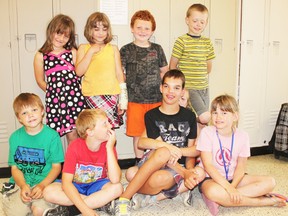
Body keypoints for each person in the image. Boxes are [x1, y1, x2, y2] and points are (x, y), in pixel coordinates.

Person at [113, 69, 205, 216]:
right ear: (161, 88)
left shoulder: (189, 116)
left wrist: (188, 169)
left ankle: (144, 193)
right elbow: (148, 146)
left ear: (182, 91)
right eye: (167, 86)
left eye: (176, 88)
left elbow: (193, 150)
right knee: (136, 170)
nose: (171, 91)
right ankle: (124, 199)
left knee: (153, 178)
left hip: (173, 168)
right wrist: (169, 148)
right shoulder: (152, 115)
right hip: (156, 161)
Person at [196, 94, 287, 215]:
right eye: (215, 112)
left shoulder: (243, 136)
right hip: (211, 179)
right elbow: (208, 166)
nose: (218, 117)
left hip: (235, 178)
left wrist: (232, 187)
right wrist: (229, 188)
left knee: (270, 182)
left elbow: (241, 167)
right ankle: (263, 201)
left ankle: (226, 199)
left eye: (224, 113)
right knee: (214, 192)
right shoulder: (207, 132)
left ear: (235, 116)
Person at [43, 109, 123, 216]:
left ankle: (71, 210)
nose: (110, 126)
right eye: (105, 124)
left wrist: (109, 148)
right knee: (48, 192)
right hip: (75, 185)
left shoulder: (108, 146)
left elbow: (115, 179)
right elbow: (66, 183)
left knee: (117, 188)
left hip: (97, 186)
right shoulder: (74, 147)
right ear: (90, 132)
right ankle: (98, 204)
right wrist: (85, 210)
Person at [2, 93, 64, 216]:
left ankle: (52, 208)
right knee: (15, 213)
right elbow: (14, 168)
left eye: (34, 110)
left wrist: (42, 185)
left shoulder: (52, 136)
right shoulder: (15, 137)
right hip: (21, 182)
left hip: (45, 182)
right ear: (19, 118)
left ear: (42, 111)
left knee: (38, 211)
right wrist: (23, 185)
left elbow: (57, 167)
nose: (30, 115)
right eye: (24, 113)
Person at [120, 10, 169, 164]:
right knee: (138, 134)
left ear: (152, 31)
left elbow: (164, 72)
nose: (142, 31)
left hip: (156, 99)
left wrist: (167, 94)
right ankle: (139, 162)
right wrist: (122, 99)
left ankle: (155, 162)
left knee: (156, 133)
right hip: (135, 100)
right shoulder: (126, 50)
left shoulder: (157, 49)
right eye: (139, 27)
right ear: (132, 28)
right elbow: (120, 74)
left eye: (147, 28)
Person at [34, 14, 86, 144]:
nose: (61, 38)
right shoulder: (41, 56)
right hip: (55, 100)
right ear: (50, 30)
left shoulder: (72, 52)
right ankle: (64, 163)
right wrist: (53, 92)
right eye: (58, 33)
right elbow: (40, 81)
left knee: (76, 132)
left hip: (74, 98)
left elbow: (80, 74)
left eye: (66, 35)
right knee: (61, 135)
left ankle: (77, 162)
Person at [76, 12, 127, 129]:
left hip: (111, 94)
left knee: (108, 130)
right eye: (96, 29)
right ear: (89, 29)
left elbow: (120, 74)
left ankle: (109, 148)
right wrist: (90, 52)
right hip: (91, 95)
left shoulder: (113, 49)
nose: (100, 33)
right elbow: (79, 72)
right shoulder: (83, 48)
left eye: (104, 29)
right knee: (92, 130)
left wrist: (123, 100)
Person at [170, 3, 215, 129]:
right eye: (195, 21)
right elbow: (172, 66)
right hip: (190, 88)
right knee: (205, 116)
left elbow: (208, 67)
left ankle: (199, 147)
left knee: (202, 123)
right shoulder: (181, 41)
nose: (198, 24)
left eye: (202, 22)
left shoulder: (207, 42)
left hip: (204, 88)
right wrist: (180, 88)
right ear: (187, 20)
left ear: (206, 23)